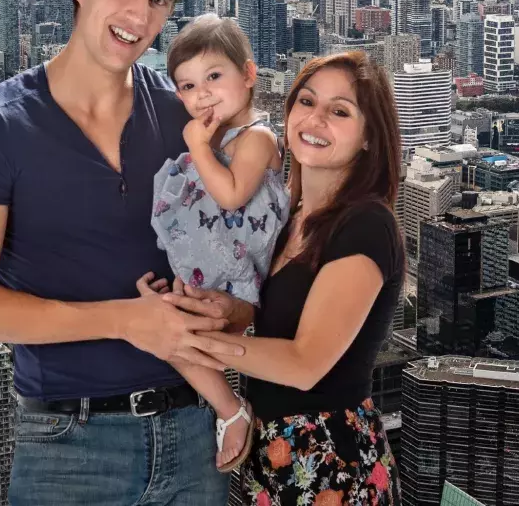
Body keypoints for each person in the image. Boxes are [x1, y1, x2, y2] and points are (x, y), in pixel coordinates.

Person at [0, 0, 245, 506]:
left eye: (158, 0)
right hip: (68, 446)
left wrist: (227, 307)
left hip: (196, 433)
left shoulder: (185, 119)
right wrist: (124, 320)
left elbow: (235, 252)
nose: (138, 16)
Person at [159, 51, 406, 505]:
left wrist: (189, 341)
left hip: (332, 461)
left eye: (339, 111)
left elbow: (304, 363)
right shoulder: (288, 218)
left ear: (370, 135)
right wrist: (204, 311)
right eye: (306, 101)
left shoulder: (367, 224)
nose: (315, 119)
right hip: (274, 454)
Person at [141, 13, 289, 473]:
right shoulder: (220, 137)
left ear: (248, 75)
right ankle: (231, 407)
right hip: (214, 265)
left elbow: (231, 195)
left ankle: (230, 410)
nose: (200, 93)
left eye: (213, 77)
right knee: (166, 336)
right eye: (185, 86)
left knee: (179, 335)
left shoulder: (258, 137)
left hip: (238, 271)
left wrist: (197, 146)